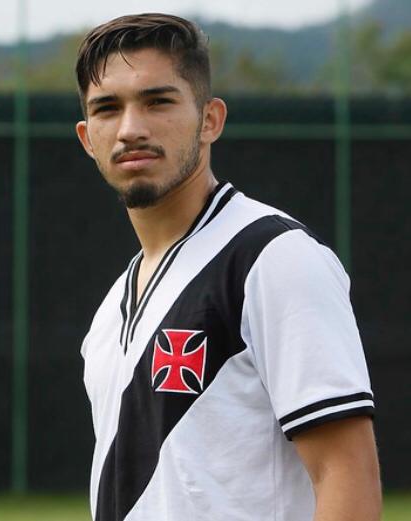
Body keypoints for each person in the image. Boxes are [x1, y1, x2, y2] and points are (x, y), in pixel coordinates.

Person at [74, 13, 381, 521]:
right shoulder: (110, 314)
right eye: (108, 109)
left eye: (158, 101)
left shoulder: (274, 257)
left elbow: (346, 475)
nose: (131, 129)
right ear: (88, 138)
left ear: (210, 120)